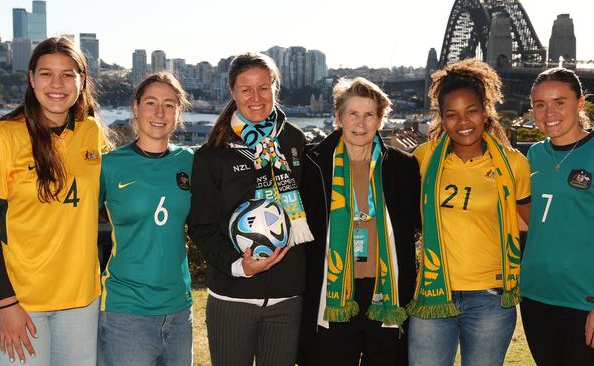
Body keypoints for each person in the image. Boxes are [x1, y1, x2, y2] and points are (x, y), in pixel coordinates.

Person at [0, 36, 108, 366]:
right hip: (20, 301)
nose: (57, 84)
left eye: (68, 74)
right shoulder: (2, 136)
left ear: (82, 80)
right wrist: (7, 301)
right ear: (31, 78)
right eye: (47, 73)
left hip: (81, 301)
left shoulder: (91, 132)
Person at [188, 52, 313, 366]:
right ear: (232, 93)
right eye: (246, 89)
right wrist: (238, 267)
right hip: (233, 296)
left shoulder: (294, 140)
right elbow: (201, 227)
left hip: (288, 296)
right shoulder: (212, 154)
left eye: (264, 87)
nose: (256, 98)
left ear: (275, 88)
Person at [406, 58, 531, 366]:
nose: (463, 122)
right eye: (452, 114)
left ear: (486, 110)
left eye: (471, 111)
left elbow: (529, 227)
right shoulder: (422, 159)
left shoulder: (513, 164)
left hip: (490, 298)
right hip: (433, 294)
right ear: (442, 118)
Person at [297, 77, 421, 366]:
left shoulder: (401, 167)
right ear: (338, 118)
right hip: (334, 291)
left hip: (385, 292)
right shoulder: (314, 165)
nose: (361, 123)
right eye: (353, 114)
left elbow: (418, 222)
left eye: (369, 115)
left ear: (380, 120)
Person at [520, 67, 594, 366]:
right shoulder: (533, 156)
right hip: (535, 298)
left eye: (559, 102)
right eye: (540, 104)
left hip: (588, 300)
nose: (548, 112)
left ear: (580, 103)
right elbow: (534, 220)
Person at [97, 72, 194, 365]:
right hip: (126, 313)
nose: (159, 113)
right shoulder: (110, 166)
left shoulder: (190, 162)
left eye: (169, 104)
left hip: (179, 311)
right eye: (151, 103)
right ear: (135, 108)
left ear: (178, 113)